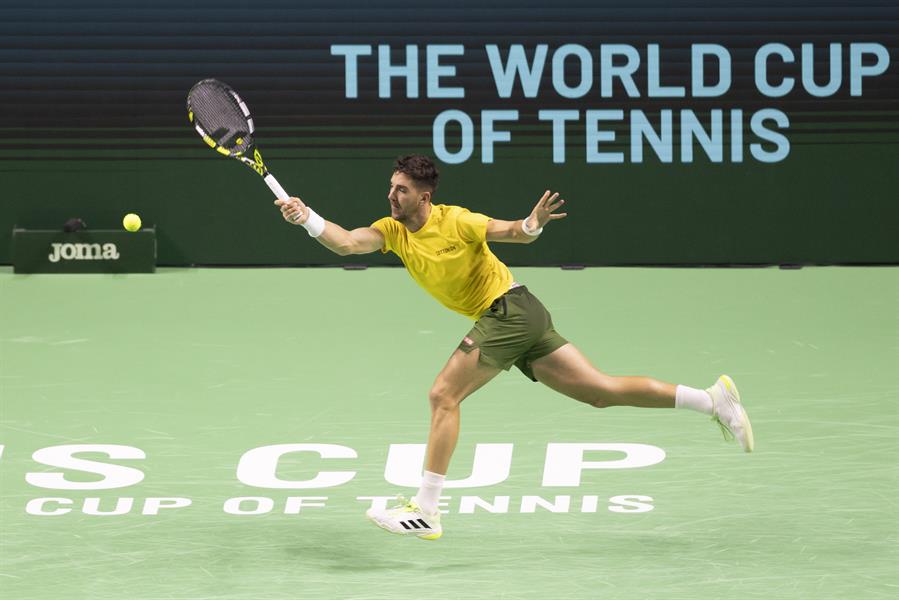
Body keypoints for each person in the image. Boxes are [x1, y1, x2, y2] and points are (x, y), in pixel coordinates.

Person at [275, 154, 753, 541]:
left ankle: (426, 509)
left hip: (509, 311)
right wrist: (307, 218)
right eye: (390, 187)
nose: (391, 195)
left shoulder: (456, 220)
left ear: (424, 195)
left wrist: (533, 223)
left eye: (400, 189)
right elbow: (347, 243)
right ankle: (713, 400)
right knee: (599, 391)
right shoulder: (394, 231)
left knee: (444, 396)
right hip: (522, 315)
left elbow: (511, 231)